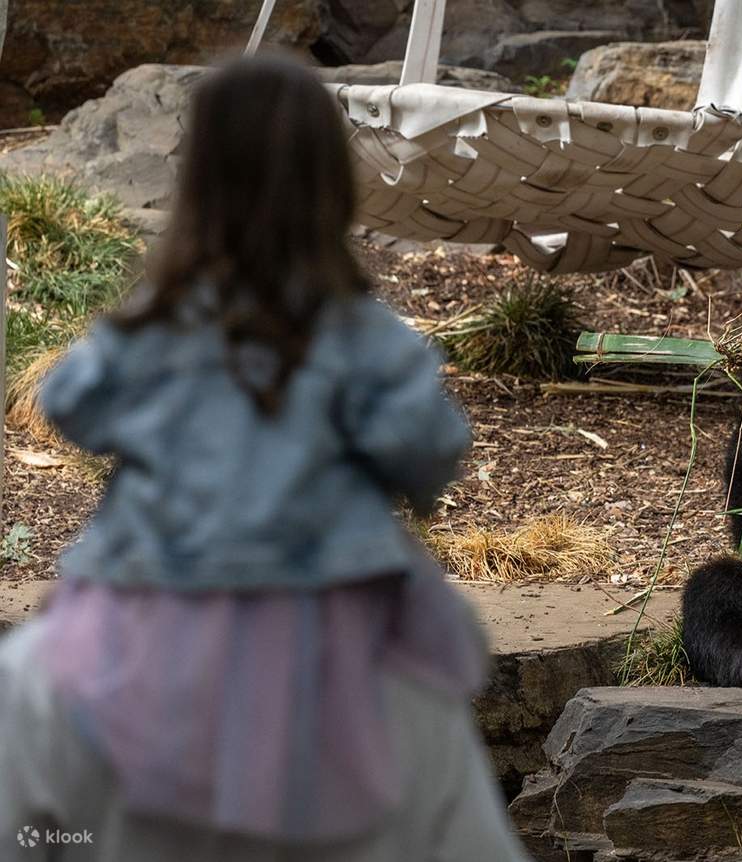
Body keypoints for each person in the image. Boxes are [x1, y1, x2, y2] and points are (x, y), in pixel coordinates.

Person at [0, 54, 530, 862]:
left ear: (197, 181)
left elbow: (71, 404)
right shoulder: (367, 338)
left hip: (132, 624)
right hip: (341, 637)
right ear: (334, 185)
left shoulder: (152, 328)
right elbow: (430, 455)